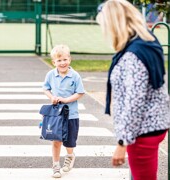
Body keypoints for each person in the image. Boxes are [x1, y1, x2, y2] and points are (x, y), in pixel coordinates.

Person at [96, 0, 170, 180]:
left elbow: (134, 103)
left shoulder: (133, 55)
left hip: (141, 132)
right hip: (154, 124)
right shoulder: (147, 42)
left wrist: (122, 142)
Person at [43, 44, 85, 178]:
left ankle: (70, 155)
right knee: (56, 141)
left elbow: (80, 92)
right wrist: (52, 97)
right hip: (56, 115)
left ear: (70, 59)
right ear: (54, 62)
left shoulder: (75, 76)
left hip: (71, 115)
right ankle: (56, 165)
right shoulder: (50, 75)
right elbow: (45, 89)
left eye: (65, 59)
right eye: (59, 60)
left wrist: (67, 100)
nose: (62, 63)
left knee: (70, 141)